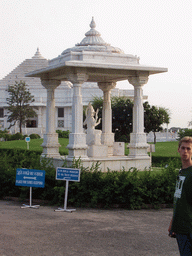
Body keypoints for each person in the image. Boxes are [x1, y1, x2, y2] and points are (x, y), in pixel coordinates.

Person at [168, 136, 192, 255]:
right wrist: (173, 222)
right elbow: (179, 200)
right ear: (178, 150)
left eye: (188, 148)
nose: (185, 151)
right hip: (180, 226)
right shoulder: (181, 172)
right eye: (183, 148)